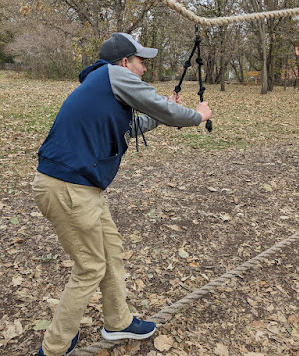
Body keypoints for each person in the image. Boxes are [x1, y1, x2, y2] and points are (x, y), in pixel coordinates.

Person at [33, 32, 212, 356]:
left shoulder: (102, 89)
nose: (144, 69)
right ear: (124, 62)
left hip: (80, 189)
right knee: (90, 267)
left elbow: (131, 128)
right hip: (68, 188)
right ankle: (54, 348)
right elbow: (160, 106)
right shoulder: (113, 75)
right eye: (141, 62)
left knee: (111, 251)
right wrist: (196, 116)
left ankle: (117, 321)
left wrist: (165, 114)